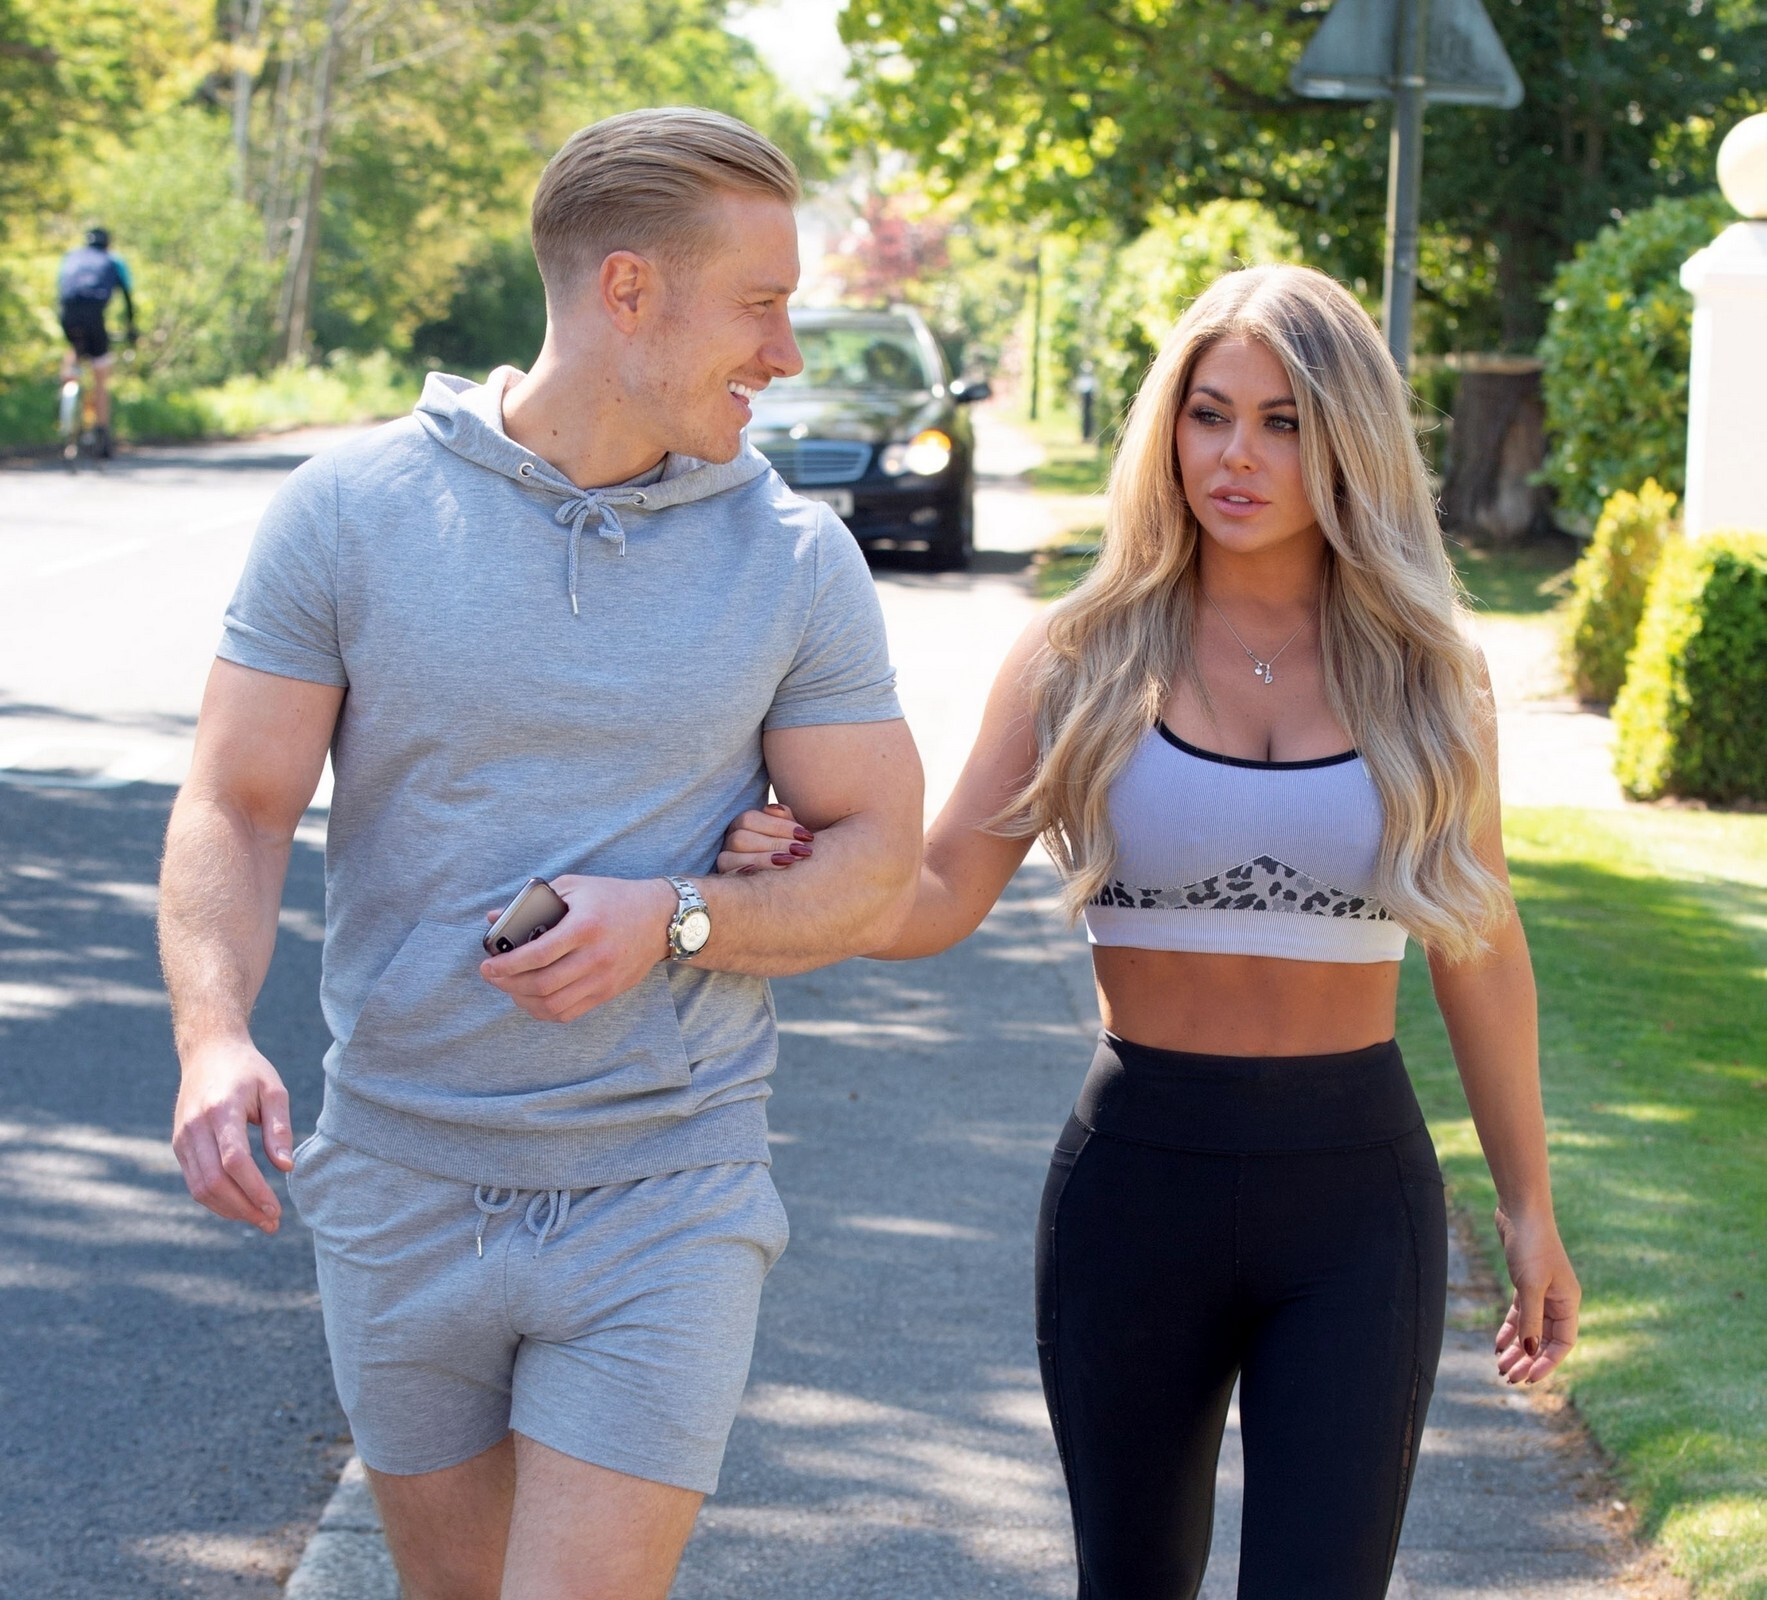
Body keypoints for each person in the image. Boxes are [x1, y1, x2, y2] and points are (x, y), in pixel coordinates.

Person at [716, 264, 1581, 1599]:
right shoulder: (1079, 655)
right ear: (1167, 429)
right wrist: (799, 873)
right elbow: (937, 890)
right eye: (1208, 414)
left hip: (1357, 1202)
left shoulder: (1429, 671)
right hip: (1135, 1187)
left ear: (1347, 440)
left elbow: (1478, 941)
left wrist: (1528, 1208)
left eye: (1282, 423)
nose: (1236, 455)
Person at [158, 107, 923, 1600]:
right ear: (629, 290)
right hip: (401, 1178)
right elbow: (237, 804)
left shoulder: (791, 557)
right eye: (760, 306)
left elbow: (880, 856)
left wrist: (681, 916)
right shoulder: (350, 512)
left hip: (665, 1184)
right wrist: (211, 1035)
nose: (784, 352)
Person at [56, 226, 137, 458]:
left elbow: (61, 288)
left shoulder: (71, 256)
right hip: (94, 315)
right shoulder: (113, 260)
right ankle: (102, 433)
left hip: (67, 313)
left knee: (74, 347)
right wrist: (131, 328)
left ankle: (66, 387)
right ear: (107, 243)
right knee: (101, 370)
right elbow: (128, 298)